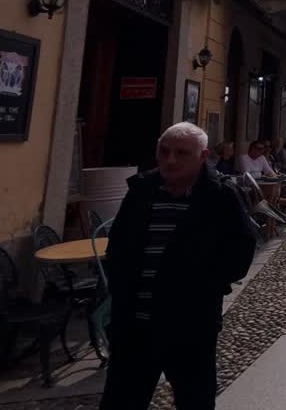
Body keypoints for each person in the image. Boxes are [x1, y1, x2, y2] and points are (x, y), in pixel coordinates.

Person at [99, 122, 257, 409]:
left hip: (190, 328)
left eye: (182, 153)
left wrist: (204, 287)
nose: (170, 160)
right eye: (165, 152)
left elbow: (242, 250)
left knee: (194, 400)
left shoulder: (221, 195)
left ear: (203, 156)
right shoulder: (142, 190)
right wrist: (122, 291)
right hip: (134, 325)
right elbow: (118, 247)